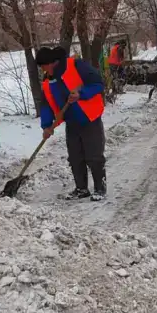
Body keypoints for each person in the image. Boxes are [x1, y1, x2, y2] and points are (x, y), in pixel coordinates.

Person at [35, 45, 107, 201]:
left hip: (89, 118)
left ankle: (100, 189)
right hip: (71, 122)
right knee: (75, 157)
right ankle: (81, 189)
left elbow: (98, 83)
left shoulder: (75, 66)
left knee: (94, 156)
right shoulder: (48, 81)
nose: (43, 70)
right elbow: (46, 104)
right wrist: (46, 125)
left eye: (43, 66)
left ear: (52, 63)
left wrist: (81, 93)